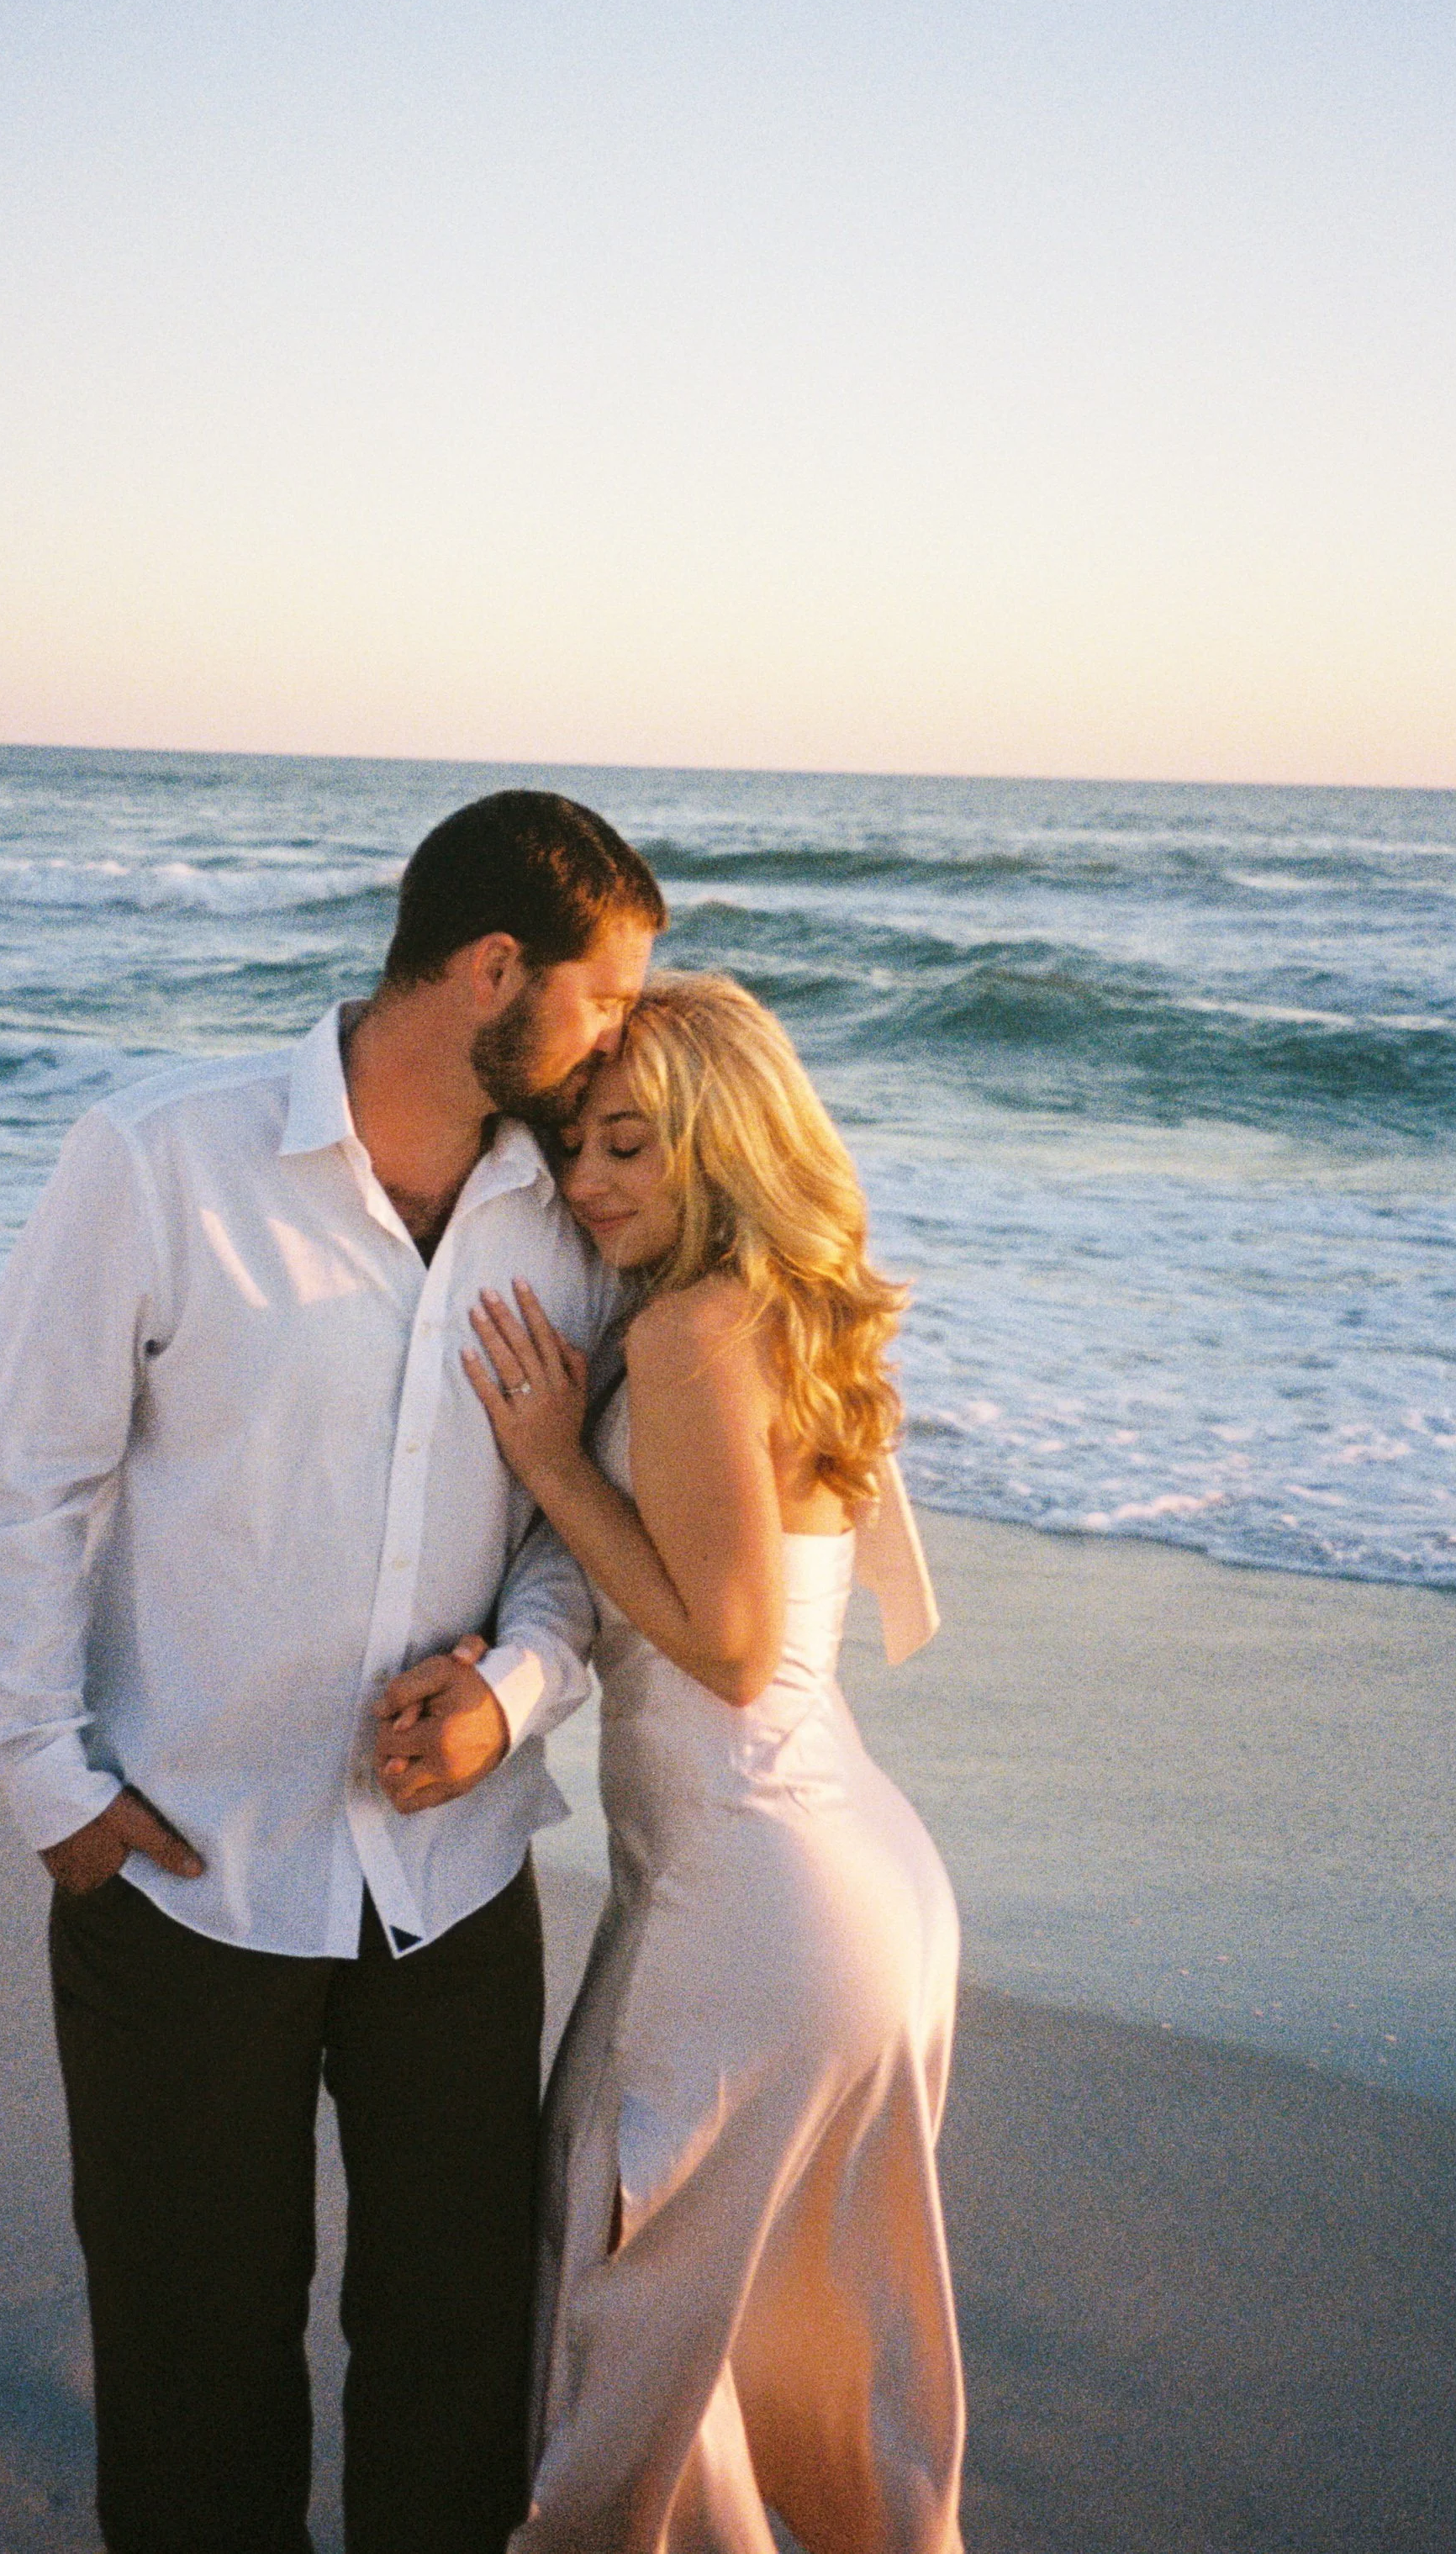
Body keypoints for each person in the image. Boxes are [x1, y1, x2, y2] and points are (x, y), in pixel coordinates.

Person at [0, 790, 666, 2554]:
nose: (619, 1045)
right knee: (194, 2377)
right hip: (179, 1875)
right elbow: (24, 1481)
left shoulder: (569, 1216)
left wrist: (514, 1685)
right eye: (604, 996)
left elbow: (577, 1528)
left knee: (452, 2369)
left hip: (452, 1888)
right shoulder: (158, 1157)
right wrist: (51, 1788)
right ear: (491, 970)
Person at [463, 971, 965, 2554]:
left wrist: (548, 1457)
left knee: (630, 2363)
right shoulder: (777, 1310)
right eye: (574, 1150)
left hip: (742, 1903)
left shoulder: (689, 1334)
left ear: (725, 1144)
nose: (588, 1181)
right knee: (815, 2364)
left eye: (630, 1145)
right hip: (859, 1884)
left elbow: (733, 1647)